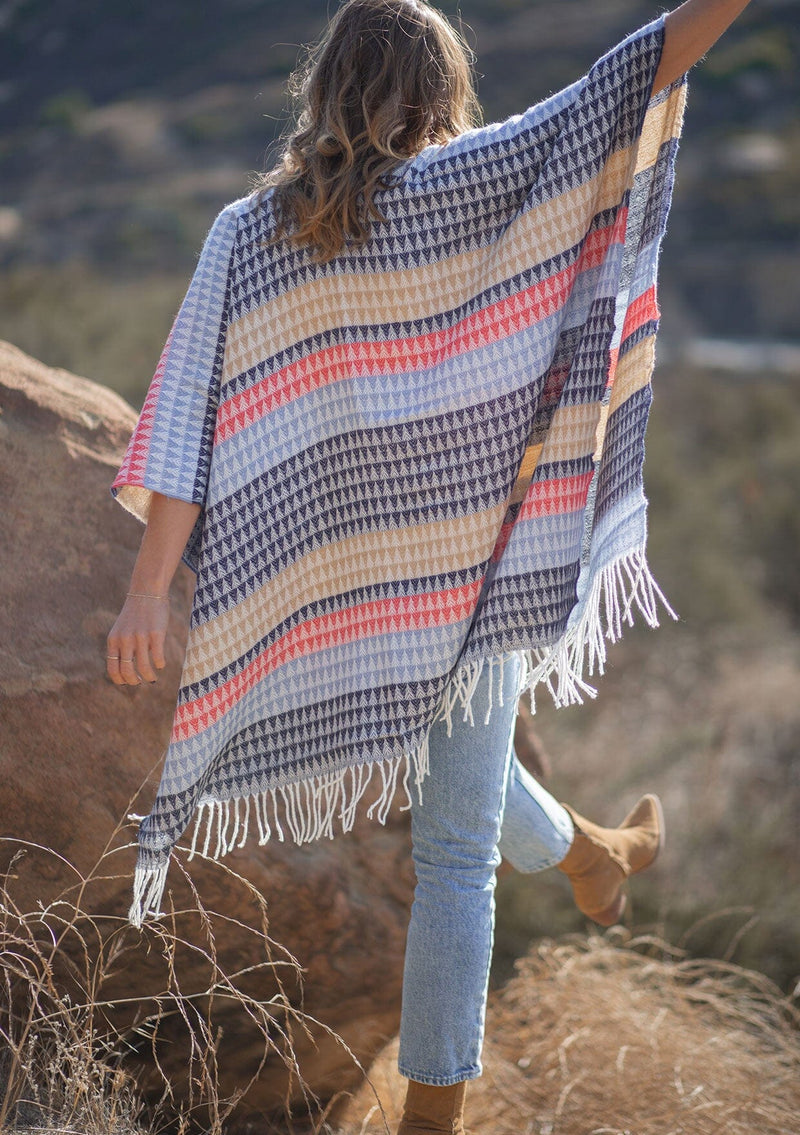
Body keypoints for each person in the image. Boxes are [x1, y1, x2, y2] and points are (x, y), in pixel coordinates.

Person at [106, 1, 753, 1130]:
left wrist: (146, 594)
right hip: (467, 571)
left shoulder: (246, 234)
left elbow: (184, 423)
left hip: (332, 578)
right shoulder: (480, 179)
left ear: (325, 90)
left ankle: (587, 861)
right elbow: (638, 67)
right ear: (441, 93)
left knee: (456, 808)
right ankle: (568, 895)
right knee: (456, 850)